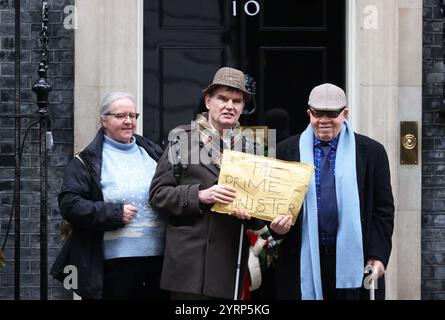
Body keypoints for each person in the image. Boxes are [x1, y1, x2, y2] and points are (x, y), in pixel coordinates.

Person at [149, 67, 285, 300]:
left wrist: (252, 214)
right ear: (208, 101)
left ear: (243, 106)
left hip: (230, 262)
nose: (229, 106)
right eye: (222, 98)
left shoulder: (248, 147)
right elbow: (158, 195)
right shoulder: (182, 139)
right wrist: (200, 196)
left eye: (237, 100)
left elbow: (257, 209)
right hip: (190, 264)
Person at [271, 83, 394, 300]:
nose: (324, 120)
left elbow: (382, 210)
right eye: (318, 113)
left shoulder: (372, 152)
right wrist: (276, 227)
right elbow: (274, 205)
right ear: (309, 113)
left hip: (357, 259)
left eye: (332, 113)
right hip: (302, 260)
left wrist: (378, 255)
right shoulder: (285, 150)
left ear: (345, 113)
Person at [50, 91, 166, 300]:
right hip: (113, 265)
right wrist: (113, 213)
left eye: (133, 116)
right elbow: (69, 204)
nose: (129, 121)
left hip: (159, 260)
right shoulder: (86, 160)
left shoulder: (153, 153)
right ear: (104, 120)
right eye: (121, 116)